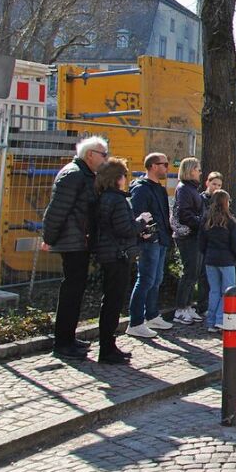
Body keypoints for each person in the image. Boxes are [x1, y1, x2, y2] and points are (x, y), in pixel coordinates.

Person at [42, 135, 108, 360]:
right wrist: (49, 238)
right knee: (71, 291)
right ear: (90, 155)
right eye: (103, 154)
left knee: (76, 290)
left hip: (80, 240)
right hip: (73, 242)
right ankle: (62, 342)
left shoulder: (84, 174)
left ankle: (68, 337)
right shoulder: (74, 174)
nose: (105, 159)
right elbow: (57, 209)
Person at [92, 156, 150, 364]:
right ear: (117, 178)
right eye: (124, 175)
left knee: (111, 301)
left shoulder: (105, 197)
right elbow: (123, 228)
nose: (126, 179)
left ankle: (108, 345)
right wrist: (140, 223)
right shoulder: (115, 199)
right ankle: (107, 348)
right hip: (117, 254)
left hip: (111, 253)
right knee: (113, 302)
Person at [127, 153, 174, 339]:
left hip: (161, 239)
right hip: (149, 241)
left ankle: (152, 315)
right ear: (153, 166)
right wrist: (149, 235)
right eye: (165, 164)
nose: (167, 168)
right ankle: (135, 322)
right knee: (145, 279)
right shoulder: (141, 188)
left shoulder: (159, 188)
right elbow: (139, 215)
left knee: (156, 279)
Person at [199, 189, 236, 331]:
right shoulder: (230, 221)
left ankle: (211, 322)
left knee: (214, 291)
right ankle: (219, 319)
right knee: (228, 291)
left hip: (210, 259)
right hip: (227, 260)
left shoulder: (206, 219)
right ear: (226, 202)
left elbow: (201, 242)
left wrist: (206, 254)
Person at [171, 157, 205, 325]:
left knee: (194, 272)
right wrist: (201, 223)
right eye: (197, 169)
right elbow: (185, 214)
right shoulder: (184, 189)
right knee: (190, 272)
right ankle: (180, 308)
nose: (200, 172)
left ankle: (188, 305)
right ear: (190, 170)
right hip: (188, 236)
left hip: (193, 235)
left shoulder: (190, 189)